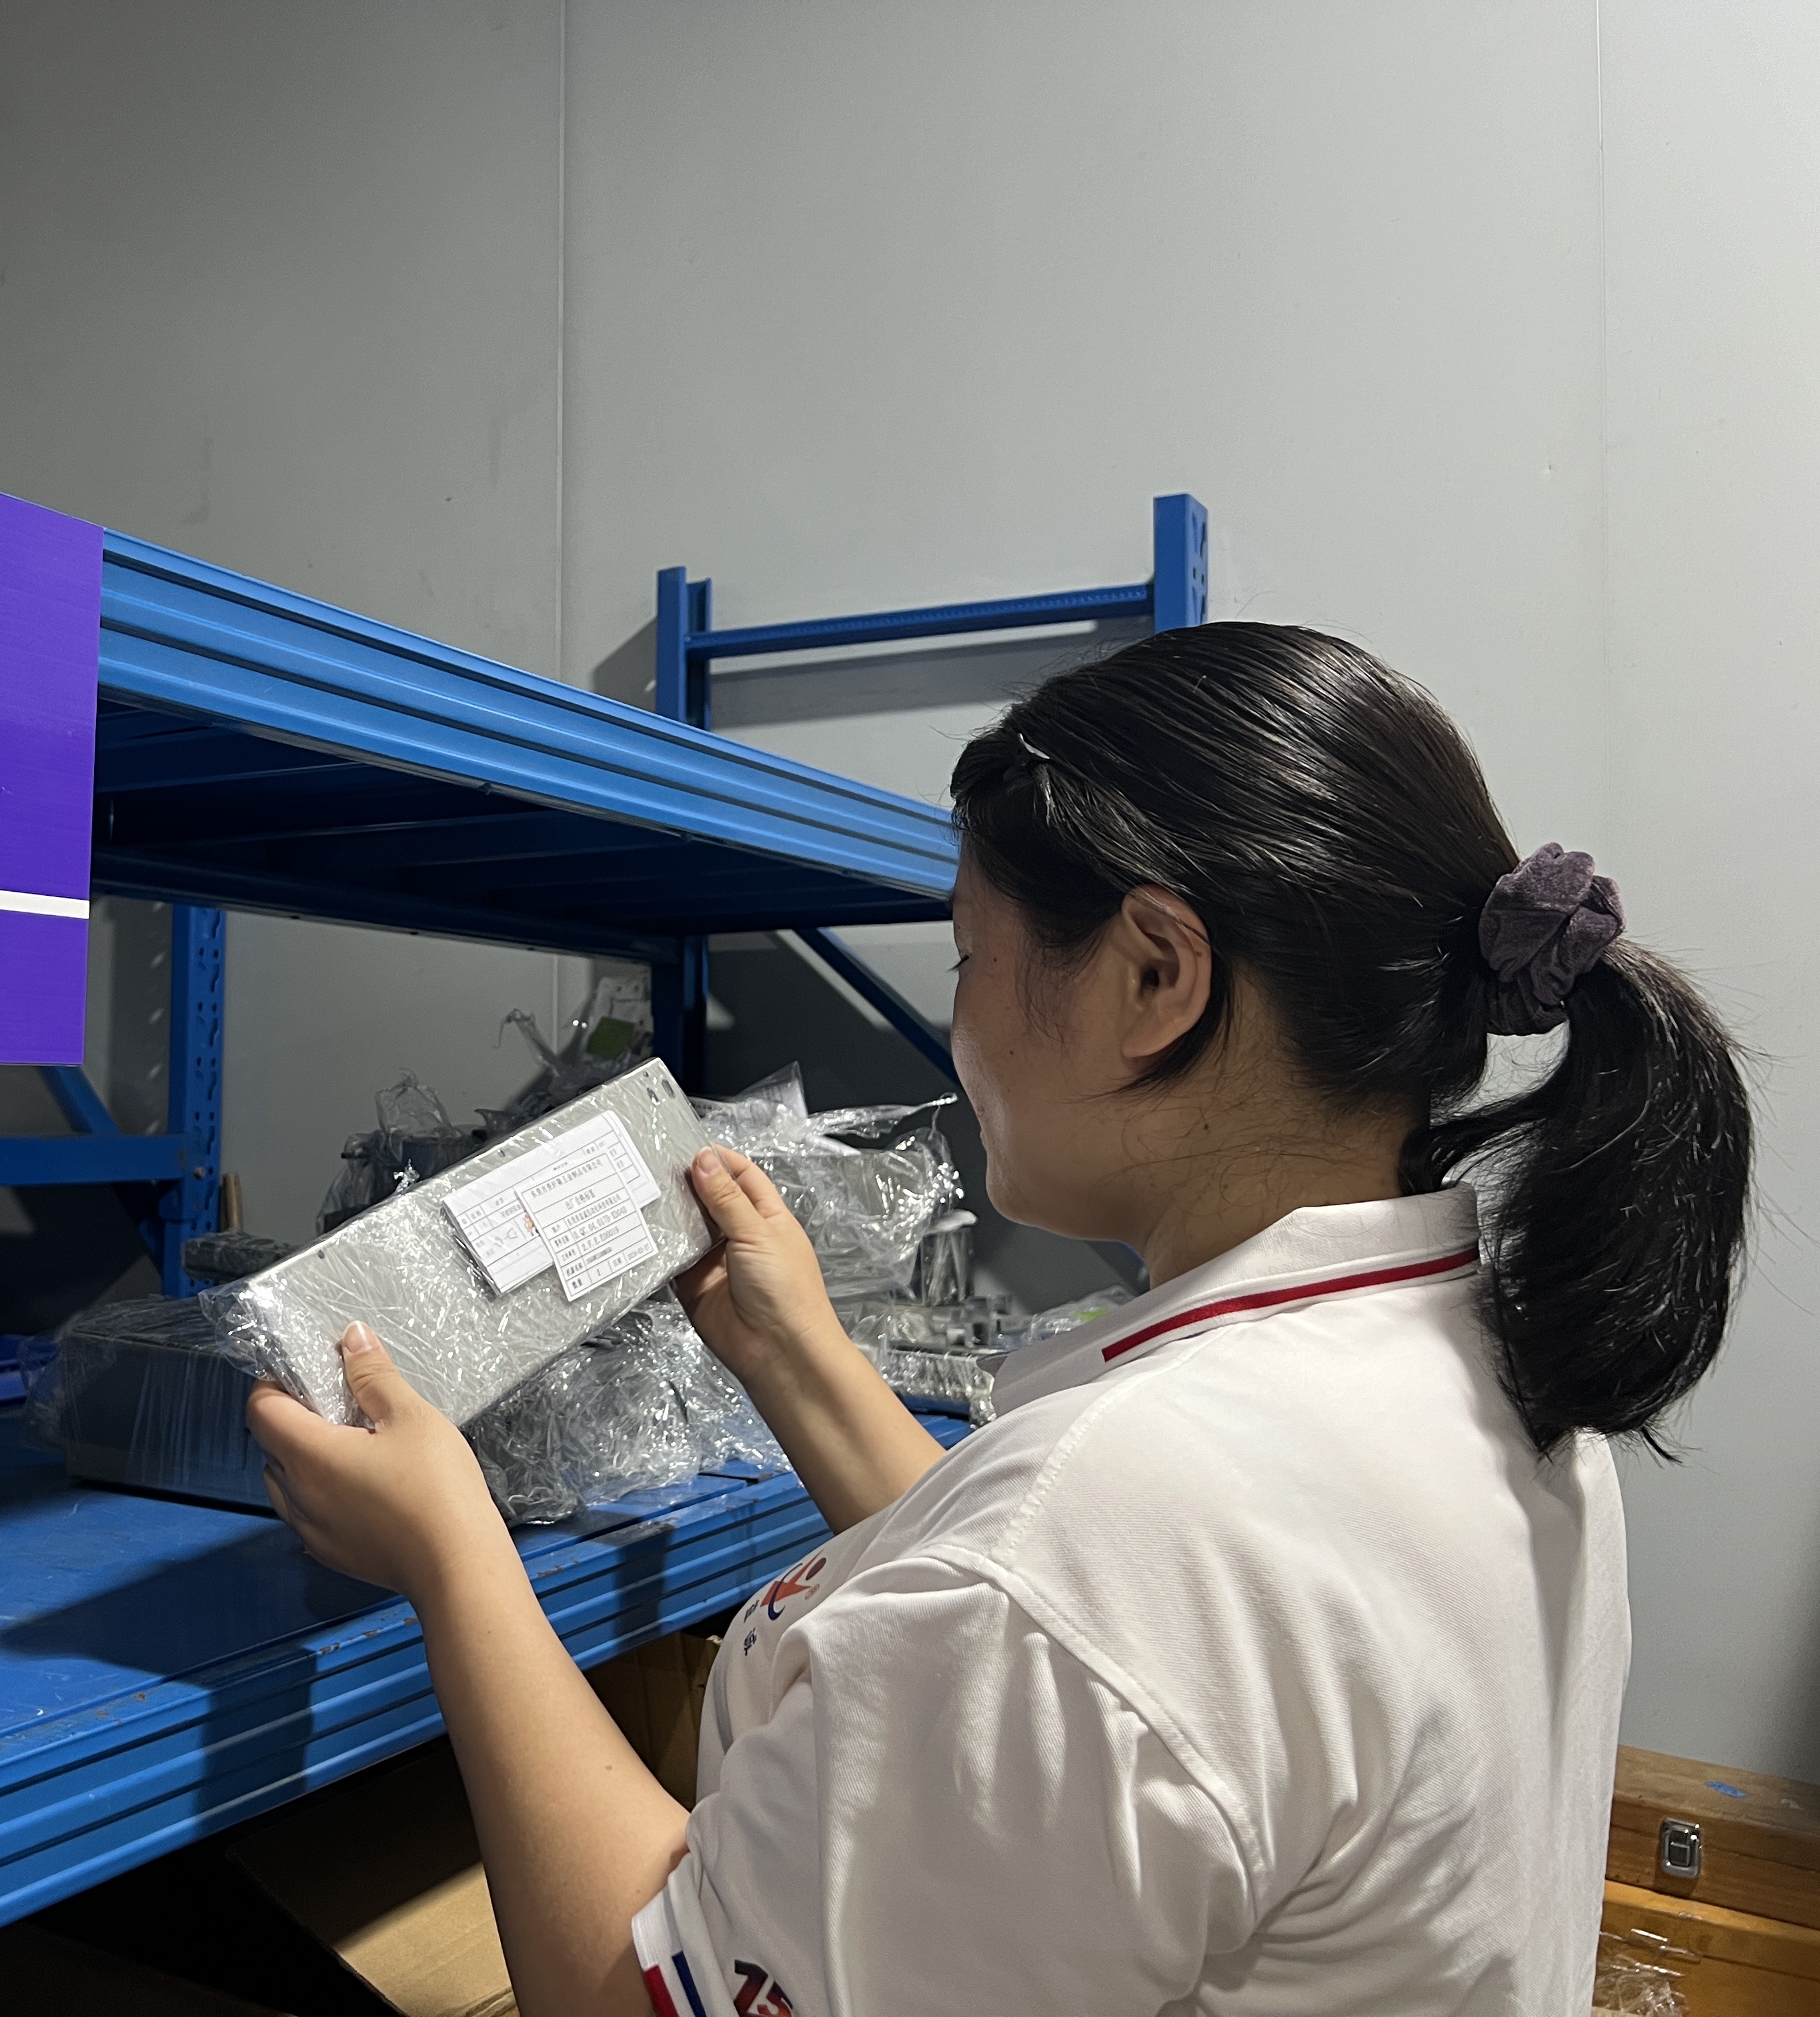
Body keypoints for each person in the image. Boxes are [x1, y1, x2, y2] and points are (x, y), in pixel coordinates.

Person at [247, 623, 1751, 2017]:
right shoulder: (1486, 1364)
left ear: (1156, 975)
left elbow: (643, 1987)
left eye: (971, 954)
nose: (960, 1021)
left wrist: (453, 1555)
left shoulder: (1137, 1522)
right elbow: (1075, 1656)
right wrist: (792, 1354)